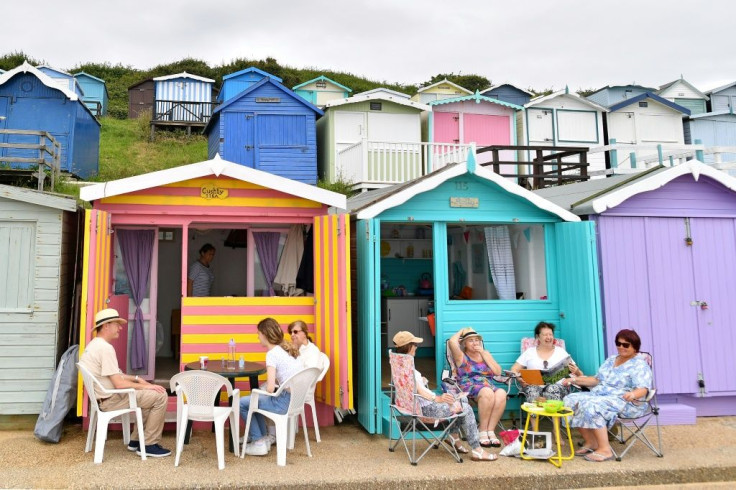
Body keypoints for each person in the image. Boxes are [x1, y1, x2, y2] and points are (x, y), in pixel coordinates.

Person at [78, 308, 171, 457]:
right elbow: (119, 384)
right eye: (117, 324)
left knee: (150, 394)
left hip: (104, 397)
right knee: (160, 396)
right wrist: (147, 385)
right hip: (111, 399)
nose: (120, 328)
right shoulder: (105, 349)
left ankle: (136, 441)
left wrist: (136, 379)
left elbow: (115, 375)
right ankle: (149, 444)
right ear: (106, 325)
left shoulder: (94, 345)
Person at [393, 331, 496, 461]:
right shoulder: (408, 367)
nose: (416, 347)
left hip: (411, 406)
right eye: (414, 344)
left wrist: (421, 381)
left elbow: (411, 385)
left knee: (462, 398)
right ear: (408, 346)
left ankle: (453, 436)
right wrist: (437, 399)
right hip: (426, 410)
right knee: (466, 408)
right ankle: (477, 450)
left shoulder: (399, 364)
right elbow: (418, 390)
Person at [562, 329, 653, 462]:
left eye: (626, 345)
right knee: (570, 400)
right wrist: (574, 380)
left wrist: (633, 394)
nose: (621, 347)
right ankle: (591, 442)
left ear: (635, 347)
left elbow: (643, 389)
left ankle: (605, 449)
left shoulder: (639, 364)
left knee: (592, 405)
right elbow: (596, 380)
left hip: (626, 401)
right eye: (618, 343)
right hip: (601, 395)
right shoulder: (611, 359)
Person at [240, 318, 301, 456]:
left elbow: (270, 388)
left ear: (265, 335)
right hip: (295, 400)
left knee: (241, 403)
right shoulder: (286, 350)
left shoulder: (272, 354)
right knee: (254, 401)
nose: (257, 337)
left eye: (258, 334)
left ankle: (258, 442)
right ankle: (263, 440)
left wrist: (259, 392)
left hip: (283, 402)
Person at [448, 327, 507, 448]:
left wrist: (485, 355)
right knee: (487, 392)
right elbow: (452, 342)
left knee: (501, 393)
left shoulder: (485, 354)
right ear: (464, 343)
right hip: (470, 385)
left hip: (488, 384)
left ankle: (490, 431)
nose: (475, 343)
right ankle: (482, 431)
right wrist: (462, 330)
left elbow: (497, 372)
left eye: (477, 340)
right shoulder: (461, 356)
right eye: (470, 340)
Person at [510, 321, 583, 402]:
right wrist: (519, 378)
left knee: (552, 389)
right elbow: (514, 369)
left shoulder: (561, 352)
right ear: (538, 337)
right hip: (534, 386)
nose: (549, 337)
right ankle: (536, 414)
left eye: (550, 334)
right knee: (532, 390)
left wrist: (577, 371)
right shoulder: (529, 352)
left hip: (557, 387)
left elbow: (580, 375)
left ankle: (552, 414)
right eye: (545, 335)